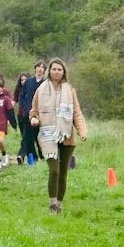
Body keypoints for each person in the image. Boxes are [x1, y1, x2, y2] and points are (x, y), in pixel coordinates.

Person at [30, 58, 88, 214]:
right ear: (50, 71)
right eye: (54, 69)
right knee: (54, 170)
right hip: (47, 136)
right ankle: (52, 203)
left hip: (66, 136)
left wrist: (82, 130)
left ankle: (59, 204)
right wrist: (34, 119)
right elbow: (33, 111)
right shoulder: (41, 89)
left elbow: (76, 112)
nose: (56, 72)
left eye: (59, 69)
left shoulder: (70, 90)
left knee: (63, 173)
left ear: (64, 72)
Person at [17, 61, 45, 164]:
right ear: (35, 69)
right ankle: (32, 159)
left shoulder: (46, 83)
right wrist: (26, 108)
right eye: (38, 67)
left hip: (41, 116)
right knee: (28, 139)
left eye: (42, 67)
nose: (40, 69)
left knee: (40, 138)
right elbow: (21, 96)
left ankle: (43, 158)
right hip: (28, 115)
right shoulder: (28, 82)